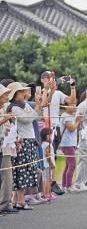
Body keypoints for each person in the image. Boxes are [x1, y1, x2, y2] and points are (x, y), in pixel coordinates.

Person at [7, 82, 48, 210]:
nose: (23, 93)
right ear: (15, 94)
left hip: (29, 140)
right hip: (22, 141)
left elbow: (38, 116)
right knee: (21, 170)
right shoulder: (13, 107)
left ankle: (16, 201)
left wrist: (39, 102)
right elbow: (27, 119)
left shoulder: (24, 105)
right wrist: (37, 107)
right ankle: (20, 201)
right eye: (20, 91)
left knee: (27, 169)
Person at [40, 71, 76, 195]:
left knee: (54, 154)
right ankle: (47, 183)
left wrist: (72, 87)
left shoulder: (58, 93)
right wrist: (50, 90)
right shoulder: (41, 91)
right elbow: (44, 103)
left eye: (53, 78)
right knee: (47, 156)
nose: (51, 80)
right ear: (43, 79)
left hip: (56, 126)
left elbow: (71, 101)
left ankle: (53, 182)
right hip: (46, 126)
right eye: (49, 78)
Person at [0, 84, 19, 215]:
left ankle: (5, 205)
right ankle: (3, 205)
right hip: (2, 146)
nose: (7, 96)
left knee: (5, 176)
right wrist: (5, 118)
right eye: (5, 94)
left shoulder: (3, 110)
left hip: (4, 145)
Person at [59, 103, 82, 193]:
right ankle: (68, 185)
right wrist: (77, 121)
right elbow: (71, 128)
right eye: (72, 104)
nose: (74, 106)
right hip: (66, 144)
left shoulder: (71, 116)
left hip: (71, 143)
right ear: (66, 106)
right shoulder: (65, 116)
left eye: (75, 104)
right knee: (72, 164)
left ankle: (65, 184)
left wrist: (77, 121)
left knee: (68, 165)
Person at [40, 128, 55, 201]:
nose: (51, 136)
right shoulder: (47, 145)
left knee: (45, 179)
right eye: (49, 134)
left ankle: (44, 193)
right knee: (48, 180)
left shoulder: (42, 144)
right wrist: (51, 163)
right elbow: (47, 155)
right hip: (47, 164)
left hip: (44, 164)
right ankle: (46, 194)